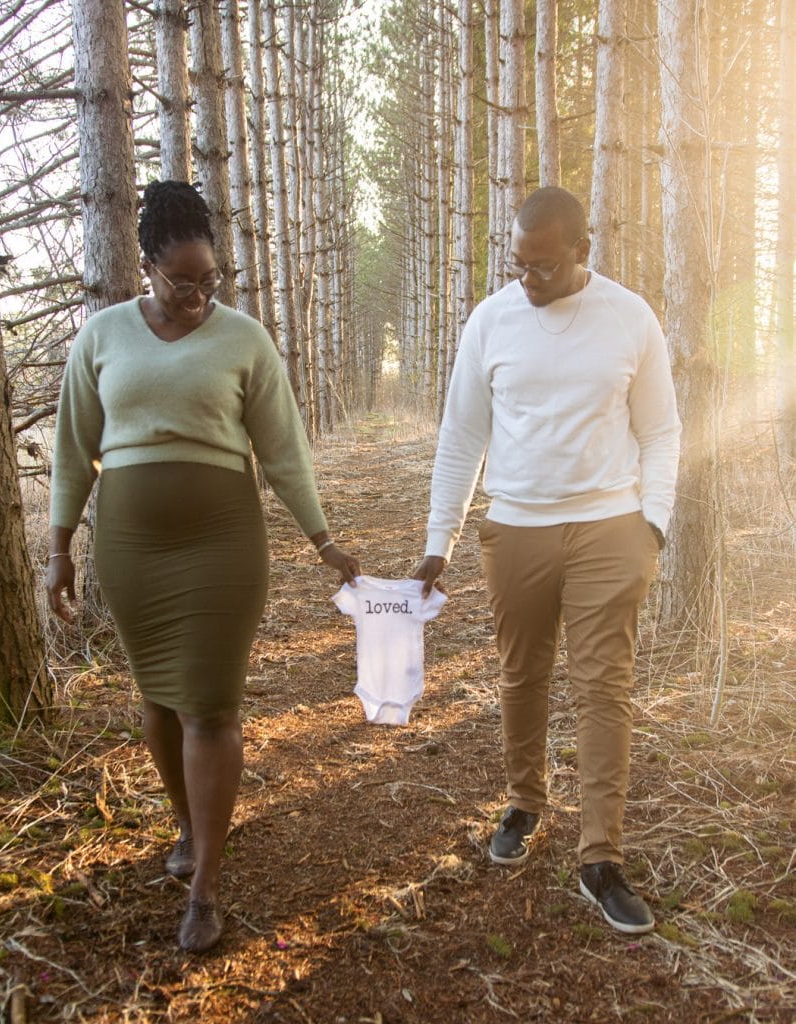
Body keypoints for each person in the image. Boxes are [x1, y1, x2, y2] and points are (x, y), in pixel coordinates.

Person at [46, 180, 360, 954]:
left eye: (209, 282)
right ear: (147, 265)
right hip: (131, 547)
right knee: (158, 700)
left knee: (210, 708)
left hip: (223, 541)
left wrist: (323, 541)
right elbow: (71, 450)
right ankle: (188, 825)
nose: (196, 296)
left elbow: (283, 451)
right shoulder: (102, 336)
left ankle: (205, 887)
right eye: (181, 281)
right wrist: (57, 546)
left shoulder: (244, 340)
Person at [414, 186, 680, 935]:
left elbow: (661, 430)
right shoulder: (490, 320)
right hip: (516, 528)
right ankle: (525, 801)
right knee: (521, 675)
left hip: (607, 526)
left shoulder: (629, 317)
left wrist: (650, 528)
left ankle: (600, 856)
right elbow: (461, 435)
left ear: (580, 253)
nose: (527, 280)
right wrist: (440, 541)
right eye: (518, 265)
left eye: (544, 267)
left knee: (603, 689)